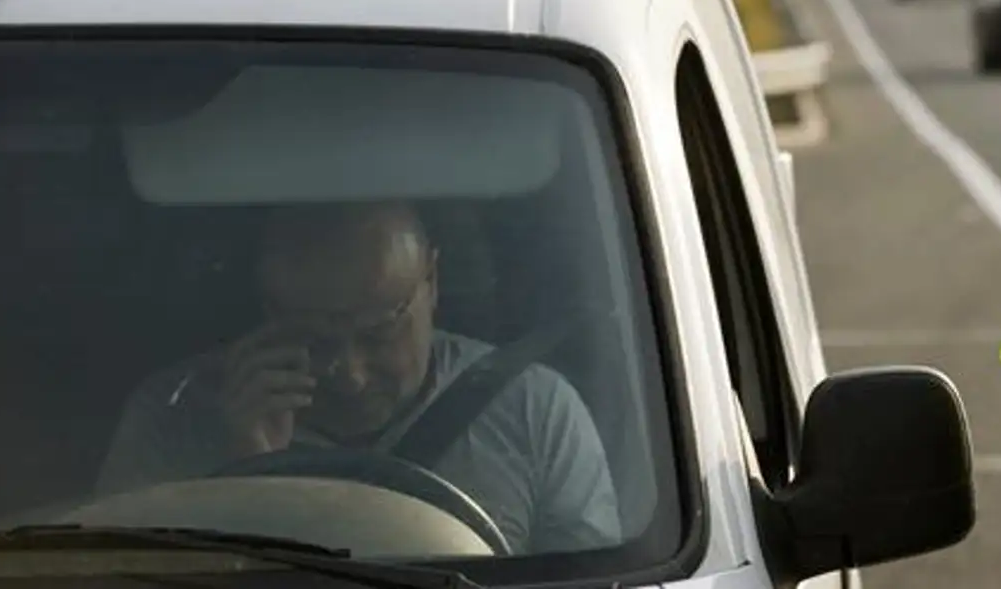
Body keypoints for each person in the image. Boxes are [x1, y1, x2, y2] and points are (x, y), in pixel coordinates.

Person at [96, 201, 622, 555]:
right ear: (267, 308)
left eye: (377, 334)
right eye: (315, 339)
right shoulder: (173, 420)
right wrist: (249, 481)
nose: (350, 375)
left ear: (432, 283)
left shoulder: (535, 412)